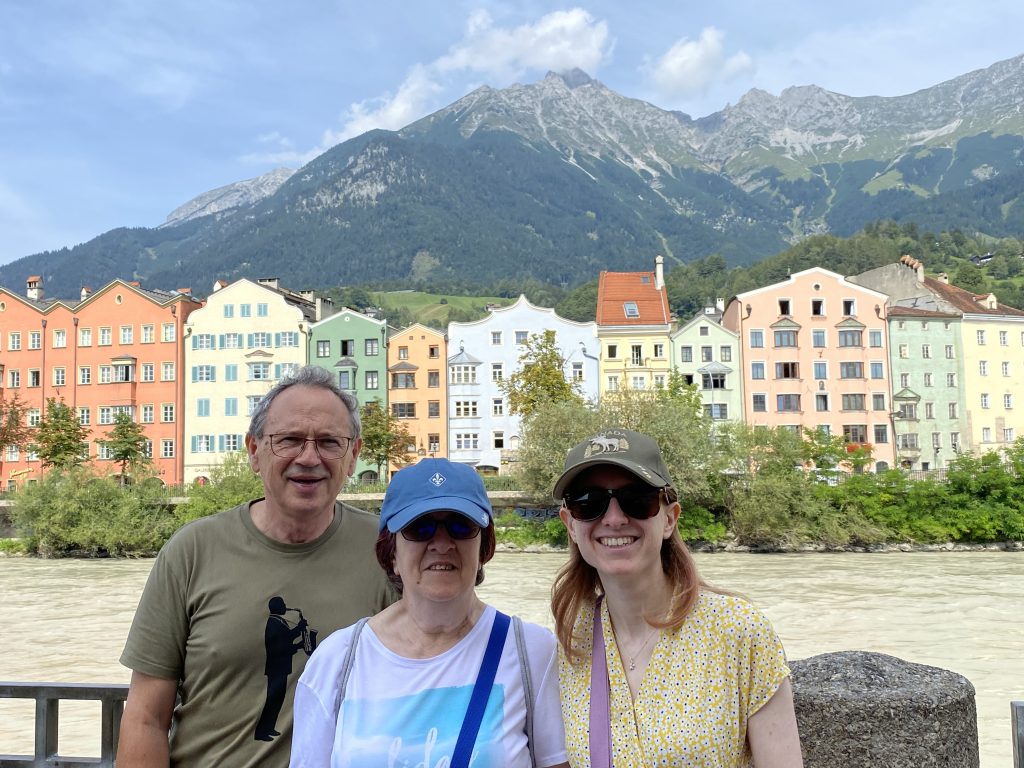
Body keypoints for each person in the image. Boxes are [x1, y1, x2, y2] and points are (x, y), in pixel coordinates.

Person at [117, 365, 395, 767]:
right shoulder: (192, 552)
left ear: (353, 456)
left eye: (330, 442)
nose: (309, 457)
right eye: (290, 440)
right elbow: (145, 717)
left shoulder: (389, 552)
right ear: (254, 451)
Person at [289, 458, 570, 768]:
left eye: (460, 526)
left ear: (483, 548)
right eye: (419, 528)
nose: (441, 543)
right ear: (391, 552)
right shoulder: (337, 661)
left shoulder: (532, 653)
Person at [550, 428, 803, 768]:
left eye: (637, 499)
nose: (613, 519)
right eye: (588, 503)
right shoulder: (572, 641)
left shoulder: (738, 631)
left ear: (669, 518)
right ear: (570, 525)